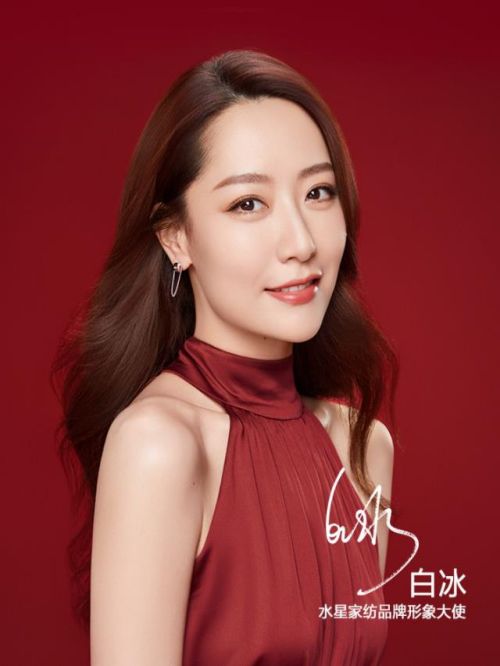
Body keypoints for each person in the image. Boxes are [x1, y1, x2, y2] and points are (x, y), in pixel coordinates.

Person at [53, 49, 399, 665]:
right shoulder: (159, 444)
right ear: (175, 237)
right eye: (247, 203)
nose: (301, 242)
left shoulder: (363, 447)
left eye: (318, 192)